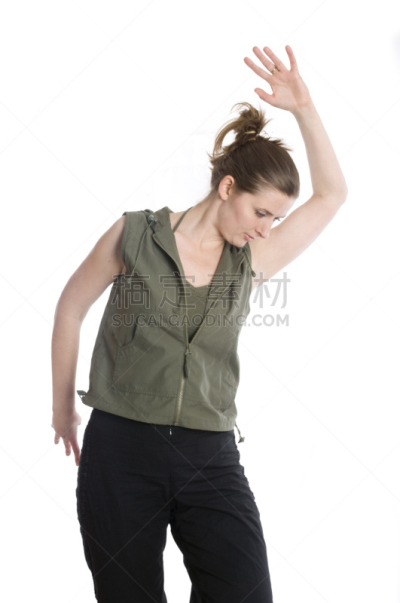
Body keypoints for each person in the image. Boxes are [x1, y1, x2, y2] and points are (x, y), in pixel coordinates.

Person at [51, 44, 348, 602]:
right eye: (262, 212)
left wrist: (305, 108)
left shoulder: (253, 259)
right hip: (120, 450)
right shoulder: (134, 235)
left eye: (277, 218)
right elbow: (70, 307)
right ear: (228, 188)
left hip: (210, 455)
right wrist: (62, 407)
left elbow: (333, 195)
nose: (267, 229)